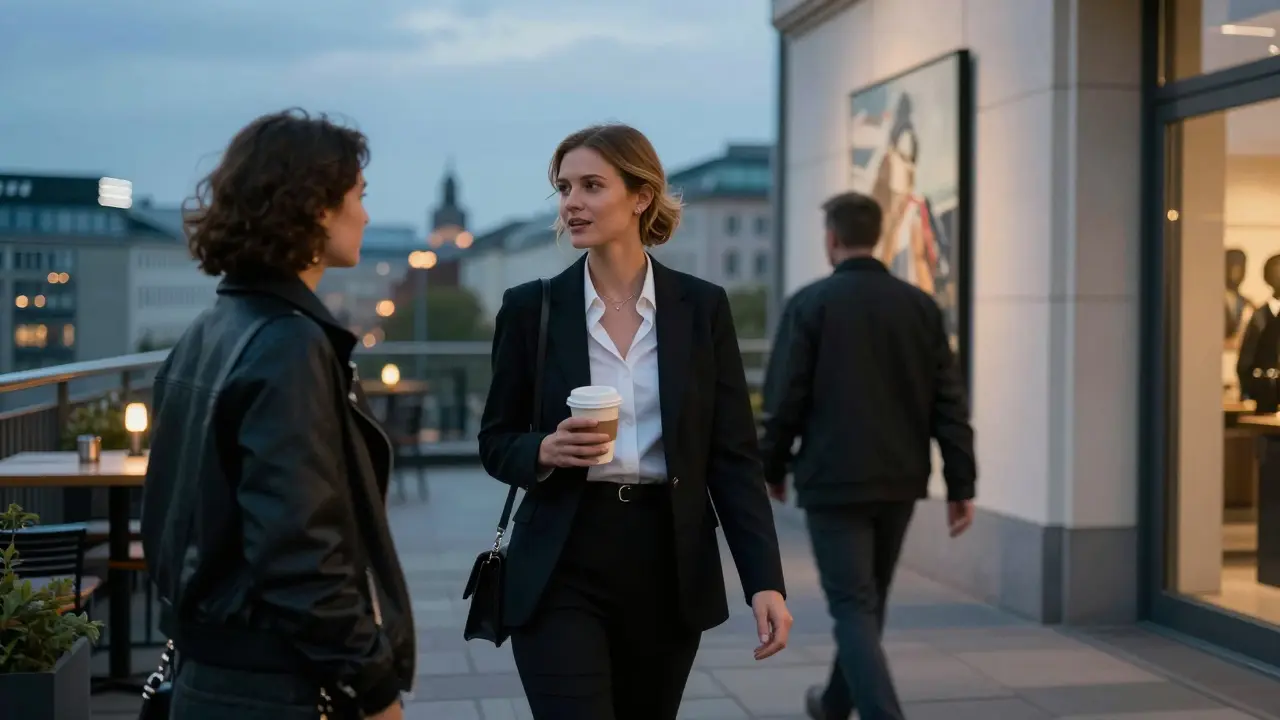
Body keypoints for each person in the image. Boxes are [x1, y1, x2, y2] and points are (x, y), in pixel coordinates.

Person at [477, 123, 793, 720]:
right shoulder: (531, 308)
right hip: (559, 562)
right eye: (564, 187)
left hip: (666, 562)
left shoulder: (701, 308)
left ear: (641, 196)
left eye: (592, 185)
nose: (572, 202)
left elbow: (732, 460)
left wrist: (764, 582)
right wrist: (542, 449)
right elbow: (495, 441)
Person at [140, 109, 414, 720]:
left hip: (208, 671)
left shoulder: (212, 328)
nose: (365, 215)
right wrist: (373, 687)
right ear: (318, 207)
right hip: (273, 686)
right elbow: (300, 550)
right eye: (358, 197)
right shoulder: (288, 345)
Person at [759, 191, 977, 720]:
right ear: (876, 235)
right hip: (900, 479)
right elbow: (948, 401)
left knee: (855, 605)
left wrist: (773, 466)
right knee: (866, 603)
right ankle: (834, 704)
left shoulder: (810, 304)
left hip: (832, 481)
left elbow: (785, 396)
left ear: (832, 238)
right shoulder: (920, 307)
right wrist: (961, 483)